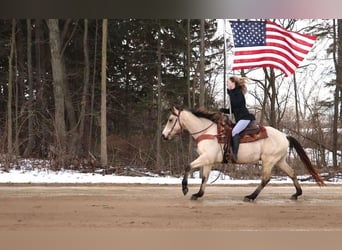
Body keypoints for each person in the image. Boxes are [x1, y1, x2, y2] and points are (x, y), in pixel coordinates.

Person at [220, 76, 255, 163]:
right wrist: (223, 110)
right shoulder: (233, 93)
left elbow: (238, 103)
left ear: (233, 83)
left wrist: (230, 93)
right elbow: (233, 109)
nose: (227, 84)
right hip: (239, 119)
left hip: (245, 118)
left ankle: (234, 154)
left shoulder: (238, 92)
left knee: (234, 131)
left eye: (228, 82)